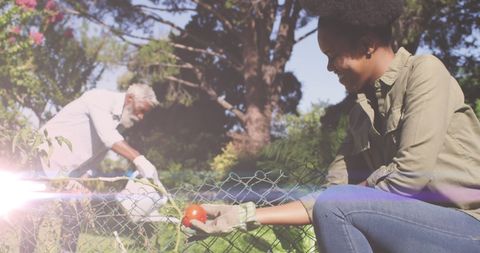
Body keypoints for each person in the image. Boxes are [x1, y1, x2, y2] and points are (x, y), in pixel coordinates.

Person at [187, 0, 480, 252]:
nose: (329, 67)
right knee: (334, 206)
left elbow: (409, 178)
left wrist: (350, 195)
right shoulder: (359, 114)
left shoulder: (424, 72)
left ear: (367, 45)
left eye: (332, 55)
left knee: (336, 205)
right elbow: (329, 197)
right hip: (412, 227)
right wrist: (243, 215)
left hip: (468, 225)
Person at [20, 83, 161, 253]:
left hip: (69, 173)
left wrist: (83, 177)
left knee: (73, 218)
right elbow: (109, 137)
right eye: (141, 110)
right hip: (44, 160)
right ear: (130, 98)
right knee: (33, 217)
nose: (141, 117)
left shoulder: (120, 123)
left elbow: (94, 154)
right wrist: (139, 158)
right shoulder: (99, 99)